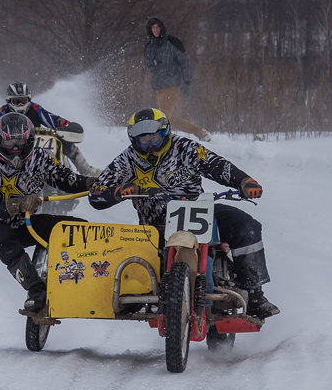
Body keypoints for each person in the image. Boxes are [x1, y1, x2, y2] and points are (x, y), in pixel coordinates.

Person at [87, 107, 279, 318]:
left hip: (199, 211)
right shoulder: (126, 161)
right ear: (134, 141)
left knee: (246, 226)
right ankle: (134, 294)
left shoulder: (185, 148)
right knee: (134, 263)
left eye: (154, 139)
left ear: (165, 133)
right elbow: (96, 194)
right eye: (144, 141)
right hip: (155, 224)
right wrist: (117, 192)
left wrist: (243, 181)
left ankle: (255, 294)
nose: (150, 146)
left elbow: (217, 165)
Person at [0, 112, 91, 313]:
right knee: (2, 234)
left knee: (74, 228)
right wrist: (15, 205)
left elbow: (68, 180)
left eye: (20, 142)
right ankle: (35, 290)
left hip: (23, 226)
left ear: (30, 141)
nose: (15, 148)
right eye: (10, 143)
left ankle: (83, 281)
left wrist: (94, 184)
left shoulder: (39, 159)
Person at [0, 82, 101, 176]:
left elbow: (51, 119)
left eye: (23, 101)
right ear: (9, 101)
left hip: (38, 142)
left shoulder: (35, 108)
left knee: (63, 141)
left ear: (28, 99)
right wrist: (5, 138)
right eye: (16, 101)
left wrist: (66, 125)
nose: (20, 104)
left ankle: (85, 170)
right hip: (13, 147)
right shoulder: (1, 112)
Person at [142, 16, 209, 140]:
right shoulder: (149, 47)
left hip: (172, 84)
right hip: (158, 86)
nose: (155, 30)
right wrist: (154, 66)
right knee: (169, 118)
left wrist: (187, 82)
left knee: (164, 117)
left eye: (157, 27)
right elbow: (146, 66)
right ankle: (200, 132)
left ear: (162, 28)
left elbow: (185, 62)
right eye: (153, 28)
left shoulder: (173, 42)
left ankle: (162, 140)